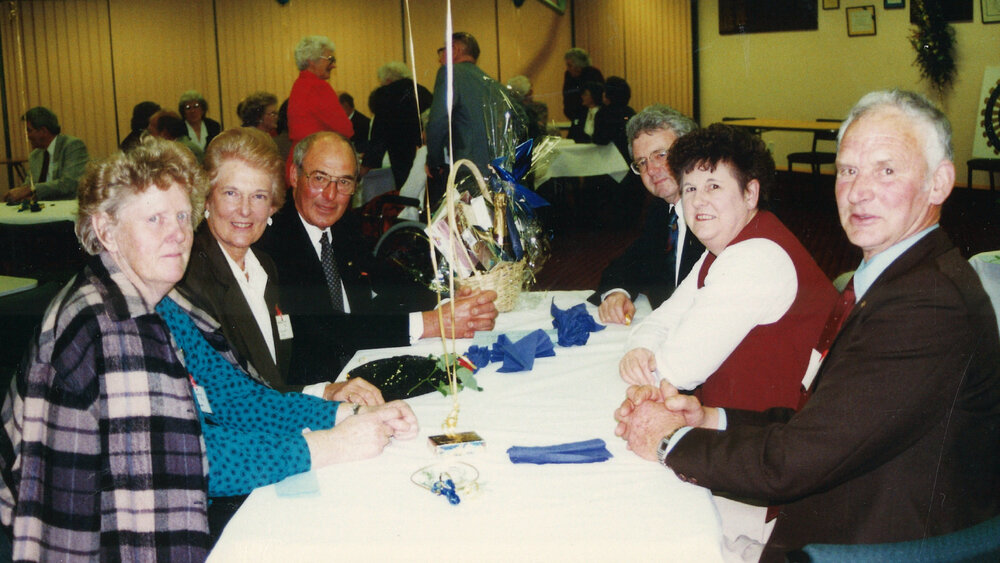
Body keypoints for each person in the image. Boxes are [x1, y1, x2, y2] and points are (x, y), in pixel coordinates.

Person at [614, 90, 1000, 561]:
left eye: (886, 170)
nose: (859, 191)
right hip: (833, 507)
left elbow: (795, 462)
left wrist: (670, 441)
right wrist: (710, 419)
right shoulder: (898, 279)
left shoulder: (928, 306)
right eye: (848, 171)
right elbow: (823, 421)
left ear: (939, 183)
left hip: (868, 542)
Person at [619, 123, 837, 414]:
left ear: (750, 193)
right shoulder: (722, 247)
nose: (698, 200)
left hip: (768, 429)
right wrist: (640, 348)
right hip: (734, 419)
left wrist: (643, 365)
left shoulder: (756, 258)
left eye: (714, 186)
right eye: (690, 188)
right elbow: (666, 317)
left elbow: (680, 368)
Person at [255, 132, 499, 381]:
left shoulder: (341, 224)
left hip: (363, 358)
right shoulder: (272, 240)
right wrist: (431, 323)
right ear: (294, 175)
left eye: (344, 182)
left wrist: (445, 299)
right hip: (319, 382)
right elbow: (324, 327)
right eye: (319, 178)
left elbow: (385, 278)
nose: (330, 195)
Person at [180, 127, 382, 403]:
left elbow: (276, 377)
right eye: (231, 193)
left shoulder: (264, 267)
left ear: (273, 205)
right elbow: (231, 397)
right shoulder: (190, 278)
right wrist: (323, 394)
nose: (245, 210)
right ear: (206, 197)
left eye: (259, 196)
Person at [589, 105, 705, 323]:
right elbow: (632, 262)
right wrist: (617, 293)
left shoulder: (713, 215)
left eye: (660, 155)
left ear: (690, 152)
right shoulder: (662, 210)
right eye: (642, 162)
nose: (651, 170)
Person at [426, 32, 526, 205]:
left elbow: (437, 122)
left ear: (455, 50)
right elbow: (521, 120)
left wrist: (434, 162)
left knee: (468, 219)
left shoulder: (449, 73)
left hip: (468, 168)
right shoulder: (493, 84)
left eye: (443, 51)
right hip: (499, 170)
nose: (440, 59)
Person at [362, 61, 433, 188]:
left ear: (388, 80)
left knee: (406, 188)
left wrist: (367, 164)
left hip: (400, 155)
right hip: (425, 151)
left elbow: (379, 134)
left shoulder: (385, 95)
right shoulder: (422, 91)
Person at [4, 107, 89, 202]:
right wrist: (18, 193)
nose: (27, 136)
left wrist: (31, 189)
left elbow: (69, 184)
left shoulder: (72, 146)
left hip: (67, 207)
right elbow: (28, 185)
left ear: (43, 131)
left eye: (29, 130)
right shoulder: (35, 155)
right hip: (41, 208)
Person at [288, 35, 354, 148]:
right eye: (330, 59)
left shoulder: (299, 84)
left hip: (300, 152)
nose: (334, 65)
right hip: (318, 152)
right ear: (312, 61)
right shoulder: (318, 86)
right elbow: (346, 129)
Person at [592, 76, 636, 161]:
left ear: (608, 95)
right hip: (629, 158)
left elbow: (599, 139)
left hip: (610, 160)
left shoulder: (603, 113)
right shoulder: (630, 112)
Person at [562, 47, 604, 122]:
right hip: (573, 116)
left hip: (591, 117)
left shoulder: (593, 74)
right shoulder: (568, 75)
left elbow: (597, 98)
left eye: (570, 65)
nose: (568, 68)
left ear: (579, 65)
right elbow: (566, 95)